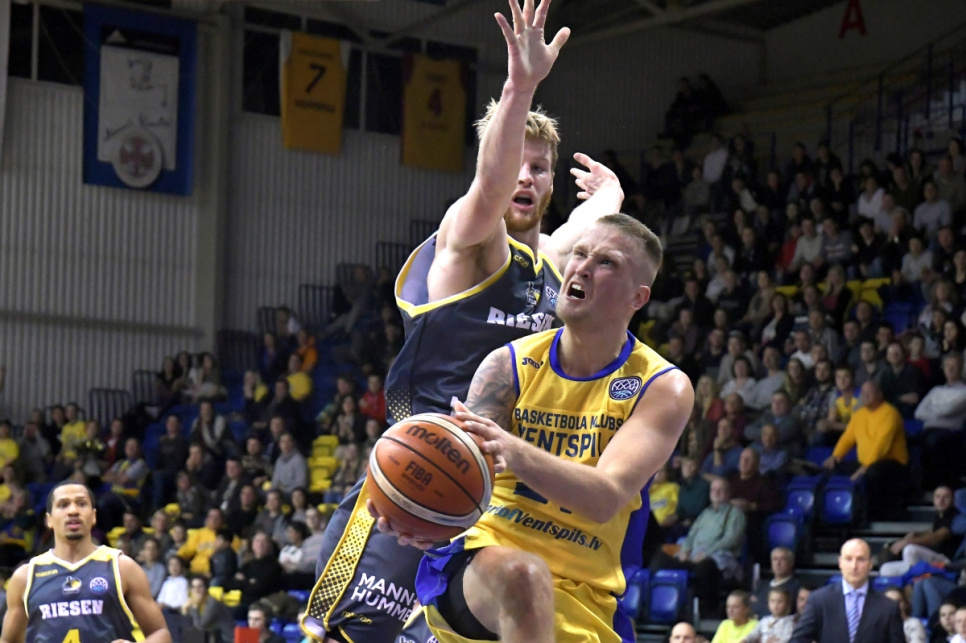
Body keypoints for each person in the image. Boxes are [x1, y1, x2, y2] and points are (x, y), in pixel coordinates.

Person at [303, 1, 625, 641]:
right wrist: (519, 87)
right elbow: (492, 184)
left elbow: (582, 231)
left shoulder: (550, 265)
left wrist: (611, 195)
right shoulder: (468, 240)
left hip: (494, 503)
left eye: (541, 168)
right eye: (517, 162)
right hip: (420, 475)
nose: (526, 177)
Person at [376, 213, 692, 643]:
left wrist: (513, 449)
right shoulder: (508, 364)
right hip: (487, 564)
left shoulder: (662, 386)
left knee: (534, 584)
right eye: (580, 253)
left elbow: (605, 497)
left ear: (638, 297)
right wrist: (409, 511)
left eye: (606, 262)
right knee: (524, 576)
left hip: (587, 594)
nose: (582, 267)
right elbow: (456, 467)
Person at [0, 480, 171, 643]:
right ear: (49, 520)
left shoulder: (122, 567)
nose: (73, 511)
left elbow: (160, 633)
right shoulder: (26, 577)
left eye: (81, 504)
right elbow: (7, 640)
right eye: (63, 505)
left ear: (94, 516)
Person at [650, 477, 746, 605]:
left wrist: (707, 553)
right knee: (659, 559)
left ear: (728, 493)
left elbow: (730, 540)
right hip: (693, 557)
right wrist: (685, 550)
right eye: (713, 489)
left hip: (716, 558)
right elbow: (691, 535)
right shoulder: (705, 513)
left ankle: (706, 607)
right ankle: (661, 604)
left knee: (704, 567)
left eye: (720, 490)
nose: (716, 493)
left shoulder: (735, 514)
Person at [822, 381, 911, 520]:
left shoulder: (890, 413)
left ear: (879, 395)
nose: (865, 395)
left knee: (873, 472)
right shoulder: (859, 414)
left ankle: (875, 515)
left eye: (870, 392)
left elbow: (881, 446)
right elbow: (847, 438)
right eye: (863, 393)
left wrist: (864, 468)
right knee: (832, 468)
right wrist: (835, 456)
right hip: (865, 463)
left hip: (892, 464)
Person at [789, 538, 904, 643]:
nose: (854, 566)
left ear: (870, 564)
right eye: (849, 559)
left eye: (860, 559)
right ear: (840, 562)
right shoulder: (819, 600)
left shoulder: (888, 608)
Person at [878, 486, 959, 577]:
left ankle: (913, 579)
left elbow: (935, 537)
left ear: (953, 500)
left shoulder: (955, 516)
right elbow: (932, 532)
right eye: (938, 497)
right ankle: (911, 573)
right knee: (885, 569)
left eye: (946, 497)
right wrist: (915, 534)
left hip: (945, 561)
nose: (941, 500)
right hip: (931, 557)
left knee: (910, 549)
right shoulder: (940, 514)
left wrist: (907, 542)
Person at [181, 575, 235, 643]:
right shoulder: (195, 601)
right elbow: (191, 626)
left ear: (206, 588)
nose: (196, 590)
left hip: (226, 638)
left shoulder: (212, 602)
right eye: (193, 587)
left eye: (200, 586)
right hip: (212, 637)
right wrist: (185, 611)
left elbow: (201, 627)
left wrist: (195, 607)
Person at [752, 548, 801, 618]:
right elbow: (751, 606)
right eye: (775, 559)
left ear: (791, 563)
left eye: (783, 559)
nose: (778, 563)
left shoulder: (797, 588)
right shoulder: (761, 585)